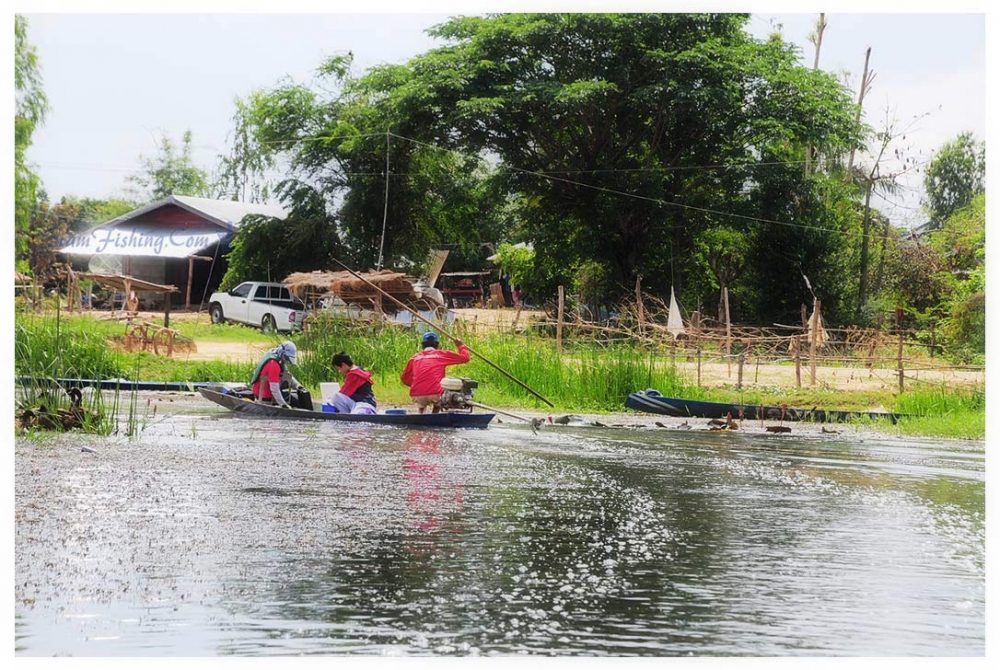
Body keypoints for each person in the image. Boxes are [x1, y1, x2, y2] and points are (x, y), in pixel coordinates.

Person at [400, 332, 471, 413]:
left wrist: (416, 384)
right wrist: (460, 345)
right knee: (440, 397)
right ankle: (435, 413)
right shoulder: (441, 354)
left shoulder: (415, 358)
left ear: (423, 345)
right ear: (437, 345)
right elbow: (465, 358)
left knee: (421, 402)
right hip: (436, 394)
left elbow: (404, 378)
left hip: (416, 394)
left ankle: (421, 413)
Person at [250, 340, 305, 408]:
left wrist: (298, 386)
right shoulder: (273, 365)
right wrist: (284, 405)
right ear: (282, 353)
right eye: (287, 358)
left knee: (298, 395)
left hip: (262, 392)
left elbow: (287, 374)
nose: (287, 361)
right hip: (265, 397)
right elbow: (274, 389)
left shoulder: (276, 355)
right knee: (296, 400)